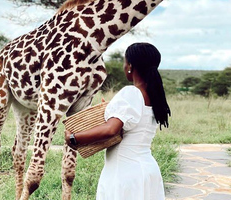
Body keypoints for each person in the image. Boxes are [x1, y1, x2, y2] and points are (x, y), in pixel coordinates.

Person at [65, 42, 171, 200]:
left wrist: (75, 138)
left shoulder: (131, 93)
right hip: (147, 171)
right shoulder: (155, 97)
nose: (124, 66)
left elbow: (111, 129)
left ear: (130, 66)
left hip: (125, 172)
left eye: (125, 61)